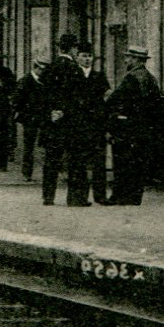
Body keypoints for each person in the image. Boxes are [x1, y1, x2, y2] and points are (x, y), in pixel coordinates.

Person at [43, 37, 109, 207]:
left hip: (67, 123)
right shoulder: (72, 71)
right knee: (76, 161)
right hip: (73, 123)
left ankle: (50, 197)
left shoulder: (52, 67)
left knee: (56, 161)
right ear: (74, 52)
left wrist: (52, 111)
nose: (86, 58)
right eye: (82, 54)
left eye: (89, 56)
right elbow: (72, 98)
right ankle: (75, 198)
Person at [105, 45, 162, 206]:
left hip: (127, 126)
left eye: (129, 57)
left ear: (136, 60)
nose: (126, 60)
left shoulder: (131, 78)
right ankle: (135, 196)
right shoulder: (151, 78)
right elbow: (156, 105)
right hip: (144, 127)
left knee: (122, 161)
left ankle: (119, 196)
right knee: (138, 162)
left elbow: (115, 99)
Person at [13, 60, 49, 181]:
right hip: (30, 118)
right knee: (29, 146)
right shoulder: (24, 81)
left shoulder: (45, 81)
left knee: (45, 144)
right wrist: (24, 113)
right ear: (35, 68)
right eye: (42, 70)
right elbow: (17, 101)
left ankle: (46, 173)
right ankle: (27, 173)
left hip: (43, 118)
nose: (43, 72)